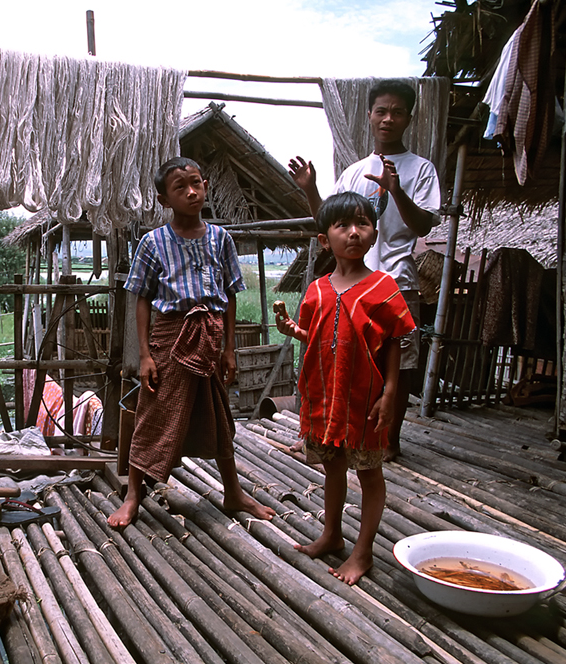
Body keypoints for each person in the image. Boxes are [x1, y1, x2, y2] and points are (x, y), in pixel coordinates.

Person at [107, 157, 274, 529]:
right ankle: (133, 495)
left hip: (210, 339)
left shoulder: (221, 239)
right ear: (164, 199)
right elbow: (141, 299)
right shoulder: (153, 243)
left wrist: (229, 348)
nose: (191, 191)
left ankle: (233, 492)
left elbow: (230, 295)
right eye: (180, 187)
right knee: (152, 415)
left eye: (196, 182)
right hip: (170, 338)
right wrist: (146, 355)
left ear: (206, 184)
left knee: (219, 415)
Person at [288, 79, 440, 462]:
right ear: (370, 116)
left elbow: (423, 226)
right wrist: (310, 188)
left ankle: (389, 439)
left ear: (408, 118)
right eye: (381, 111)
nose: (388, 118)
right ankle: (338, 432)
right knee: (344, 357)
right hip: (352, 283)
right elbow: (328, 219)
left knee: (399, 362)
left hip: (396, 281)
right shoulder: (355, 171)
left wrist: (397, 189)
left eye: (397, 112)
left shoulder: (421, 170)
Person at [276, 191, 416, 585]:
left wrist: (389, 393)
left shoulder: (383, 288)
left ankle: (363, 550)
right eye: (342, 226)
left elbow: (392, 342)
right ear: (325, 239)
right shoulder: (317, 290)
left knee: (370, 474)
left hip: (365, 400)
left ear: (373, 234)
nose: (353, 233)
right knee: (332, 468)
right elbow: (320, 337)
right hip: (324, 398)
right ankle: (331, 534)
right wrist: (296, 332)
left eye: (362, 224)